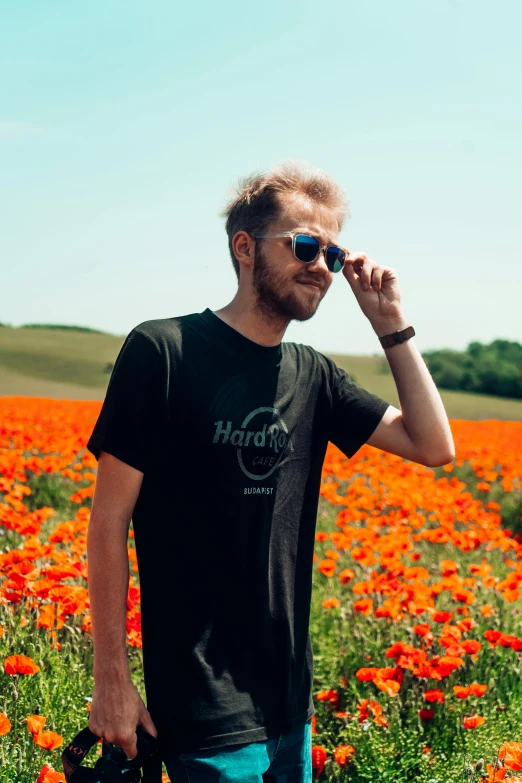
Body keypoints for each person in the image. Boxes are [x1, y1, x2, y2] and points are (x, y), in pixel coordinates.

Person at [86, 160, 455, 782]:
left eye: (333, 255)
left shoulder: (314, 375)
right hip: (201, 705)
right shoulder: (163, 351)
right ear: (244, 248)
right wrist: (111, 682)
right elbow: (107, 522)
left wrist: (390, 322)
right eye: (305, 246)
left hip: (289, 706)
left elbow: (433, 444)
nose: (322, 267)